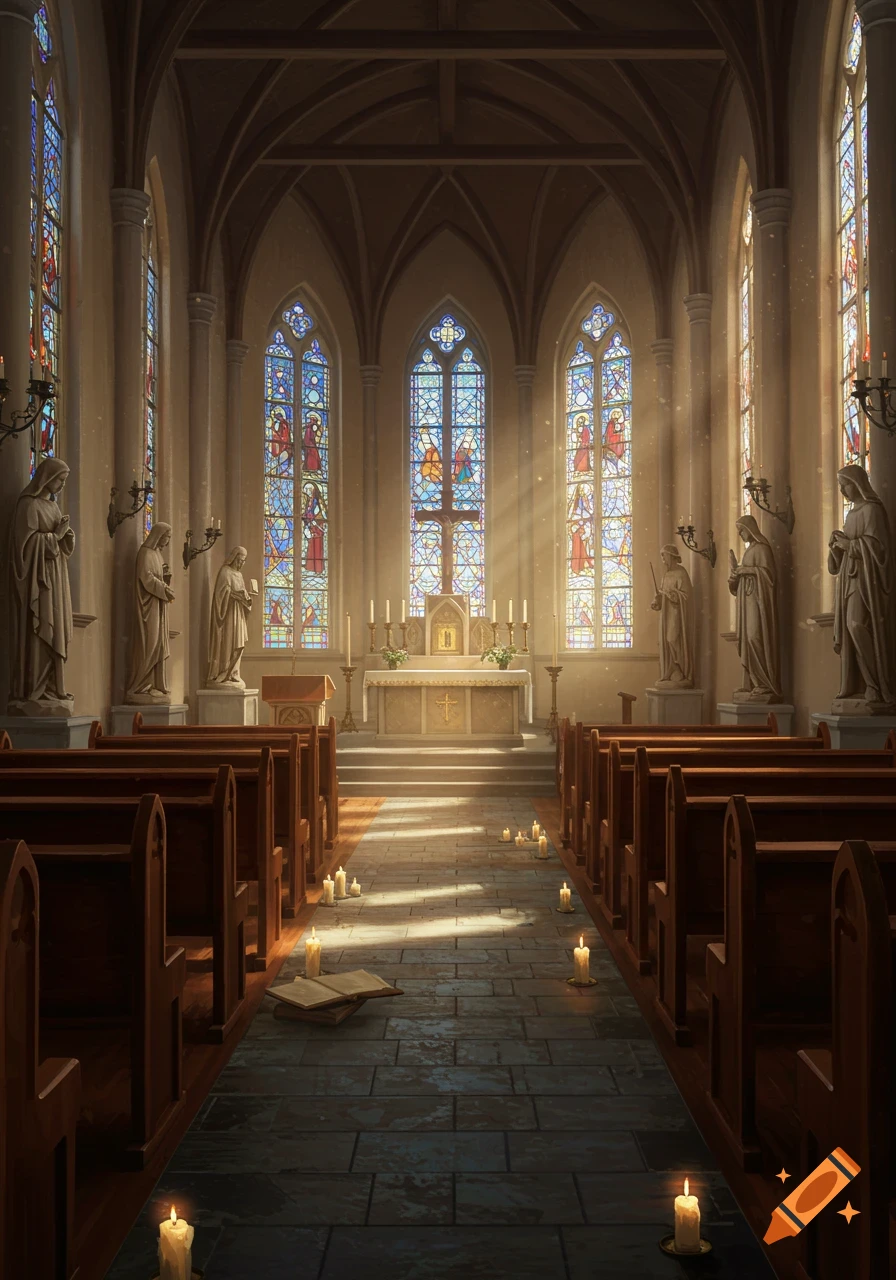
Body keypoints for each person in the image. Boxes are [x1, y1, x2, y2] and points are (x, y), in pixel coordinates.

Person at [8, 456, 74, 713]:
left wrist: (66, 537)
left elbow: (59, 545)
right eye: (60, 479)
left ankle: (54, 685)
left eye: (64, 481)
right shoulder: (28, 505)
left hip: (55, 577)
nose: (61, 485)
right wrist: (54, 537)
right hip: (39, 580)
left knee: (55, 629)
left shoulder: (53, 508)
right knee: (40, 630)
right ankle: (34, 687)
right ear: (47, 477)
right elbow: (24, 546)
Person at [828, 463, 895, 710]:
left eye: (844, 484)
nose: (843, 490)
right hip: (849, 578)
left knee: (857, 626)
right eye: (840, 486)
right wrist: (837, 547)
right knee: (849, 630)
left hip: (867, 580)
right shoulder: (851, 514)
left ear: (857, 484)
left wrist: (851, 546)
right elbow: (844, 555)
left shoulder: (872, 510)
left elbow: (879, 550)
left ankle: (876, 684)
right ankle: (861, 685)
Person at [728, 514, 781, 701]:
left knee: (755, 636)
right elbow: (738, 586)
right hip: (747, 602)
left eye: (742, 530)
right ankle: (752, 682)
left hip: (758, 604)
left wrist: (747, 570)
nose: (741, 534)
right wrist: (734, 578)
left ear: (750, 529)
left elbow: (769, 577)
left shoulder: (762, 549)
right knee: (747, 639)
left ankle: (765, 683)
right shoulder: (749, 551)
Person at [127, 522, 175, 703]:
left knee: (159, 644)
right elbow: (146, 578)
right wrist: (163, 586)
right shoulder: (145, 553)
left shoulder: (157, 555)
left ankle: (156, 684)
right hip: (148, 608)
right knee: (149, 643)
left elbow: (159, 576)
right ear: (158, 535)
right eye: (166, 538)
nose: (167, 543)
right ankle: (140, 685)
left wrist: (165, 581)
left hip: (159, 606)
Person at [207, 547, 254, 686]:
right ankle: (224, 671)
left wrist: (247, 598)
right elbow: (221, 594)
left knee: (239, 644)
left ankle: (234, 673)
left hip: (238, 612)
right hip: (228, 614)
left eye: (243, 561)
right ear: (234, 557)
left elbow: (242, 592)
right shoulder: (225, 572)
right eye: (239, 560)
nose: (241, 564)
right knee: (229, 642)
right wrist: (234, 594)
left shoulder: (239, 575)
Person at [651, 543, 694, 687]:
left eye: (664, 555)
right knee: (666, 640)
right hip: (666, 614)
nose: (662, 558)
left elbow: (686, 595)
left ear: (671, 556)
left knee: (672, 639)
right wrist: (657, 601)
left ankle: (681, 668)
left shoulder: (681, 573)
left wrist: (672, 595)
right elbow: (662, 594)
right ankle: (671, 669)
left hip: (677, 613)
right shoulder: (666, 575)